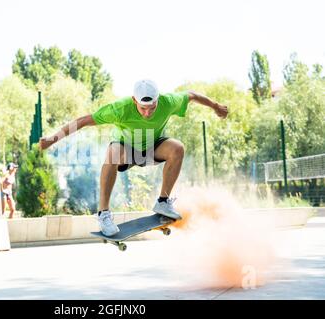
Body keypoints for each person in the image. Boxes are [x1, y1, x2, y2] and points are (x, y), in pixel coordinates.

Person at [39, 79, 228, 236]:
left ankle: (163, 202)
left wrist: (216, 106)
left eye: (151, 108)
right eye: (142, 108)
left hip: (152, 149)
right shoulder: (119, 109)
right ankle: (104, 214)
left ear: (158, 100)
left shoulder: (168, 102)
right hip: (126, 151)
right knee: (113, 153)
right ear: (133, 100)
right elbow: (82, 121)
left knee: (177, 148)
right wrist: (51, 139)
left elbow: (192, 95)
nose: (147, 113)